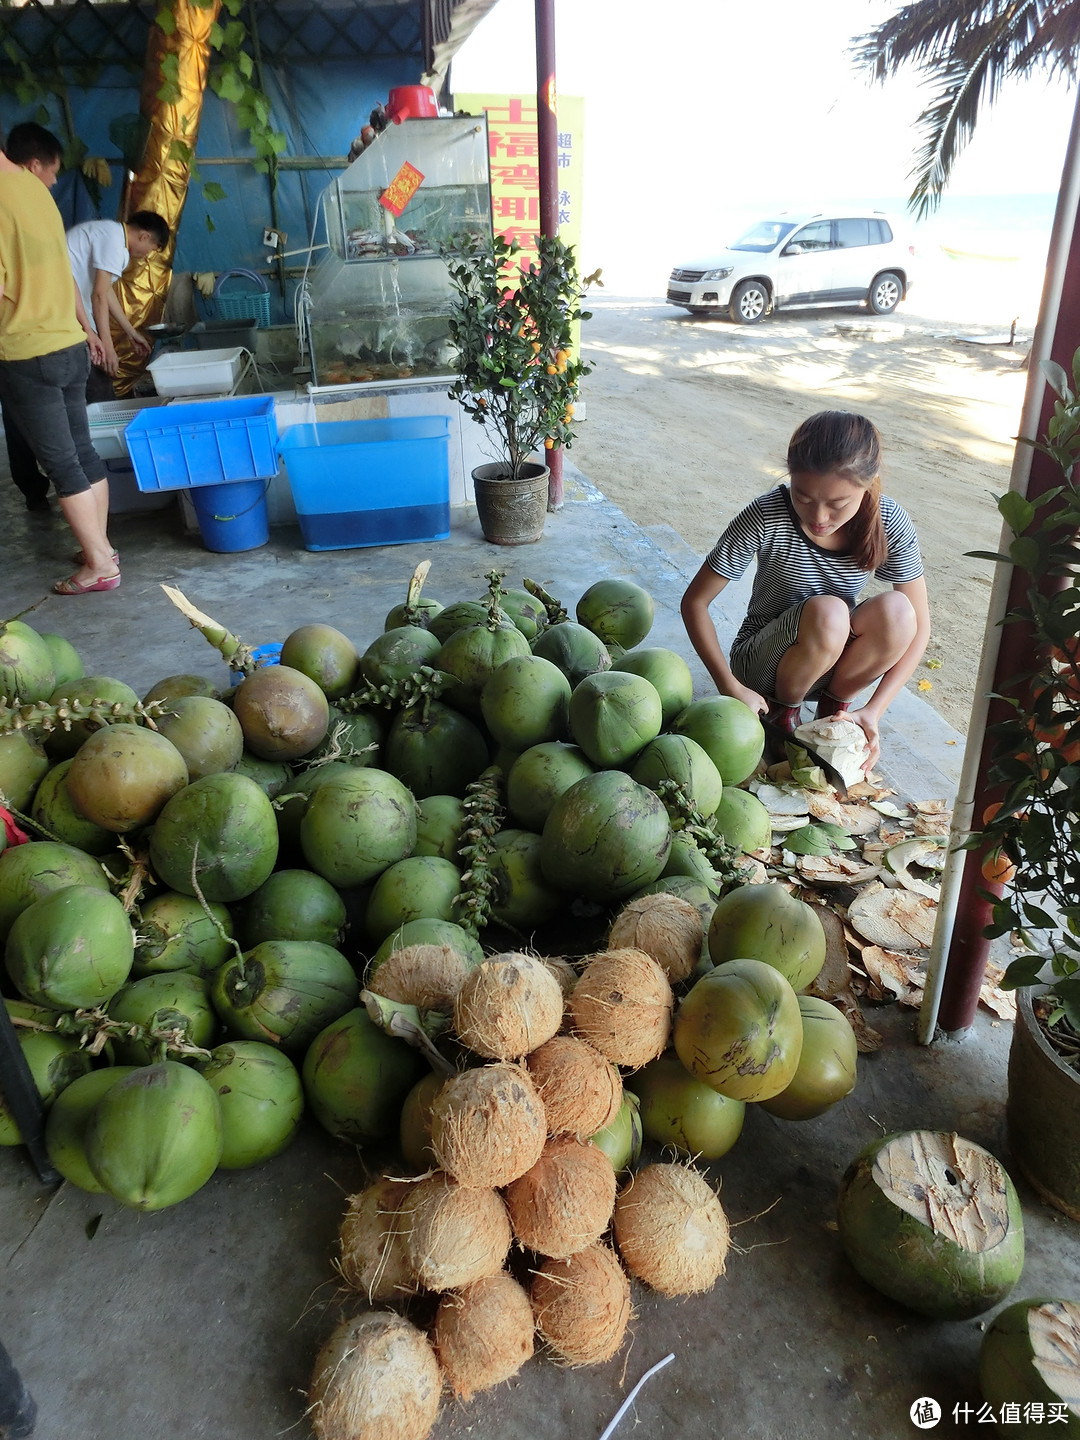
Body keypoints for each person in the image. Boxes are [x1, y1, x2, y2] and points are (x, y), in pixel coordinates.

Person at [680, 410, 930, 773]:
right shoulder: (767, 514)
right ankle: (782, 718)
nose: (819, 517)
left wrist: (874, 710)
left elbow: (919, 628)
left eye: (838, 504)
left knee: (899, 611)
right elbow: (695, 601)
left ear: (869, 482)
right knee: (830, 613)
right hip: (763, 666)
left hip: (831, 662)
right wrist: (729, 685)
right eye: (803, 496)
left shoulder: (889, 522)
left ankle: (835, 716)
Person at [0, 140, 119, 593]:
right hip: (67, 343)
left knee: (61, 464)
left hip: (28, 351)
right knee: (82, 452)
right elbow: (66, 274)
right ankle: (101, 547)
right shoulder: (35, 189)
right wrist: (86, 330)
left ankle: (99, 566)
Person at [1, 123, 68, 511]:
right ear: (34, 164)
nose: (55, 181)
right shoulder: (36, 198)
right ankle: (102, 552)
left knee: (57, 456)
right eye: (54, 171)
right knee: (73, 457)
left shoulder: (16, 196)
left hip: (24, 345)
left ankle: (99, 558)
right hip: (59, 340)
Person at [65, 208, 168, 401]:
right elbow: (99, 296)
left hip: (76, 312)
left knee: (100, 373)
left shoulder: (114, 238)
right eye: (151, 249)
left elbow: (106, 291)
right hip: (67, 312)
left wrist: (131, 332)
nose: (147, 255)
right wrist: (107, 345)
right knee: (100, 372)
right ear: (144, 236)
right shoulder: (113, 240)